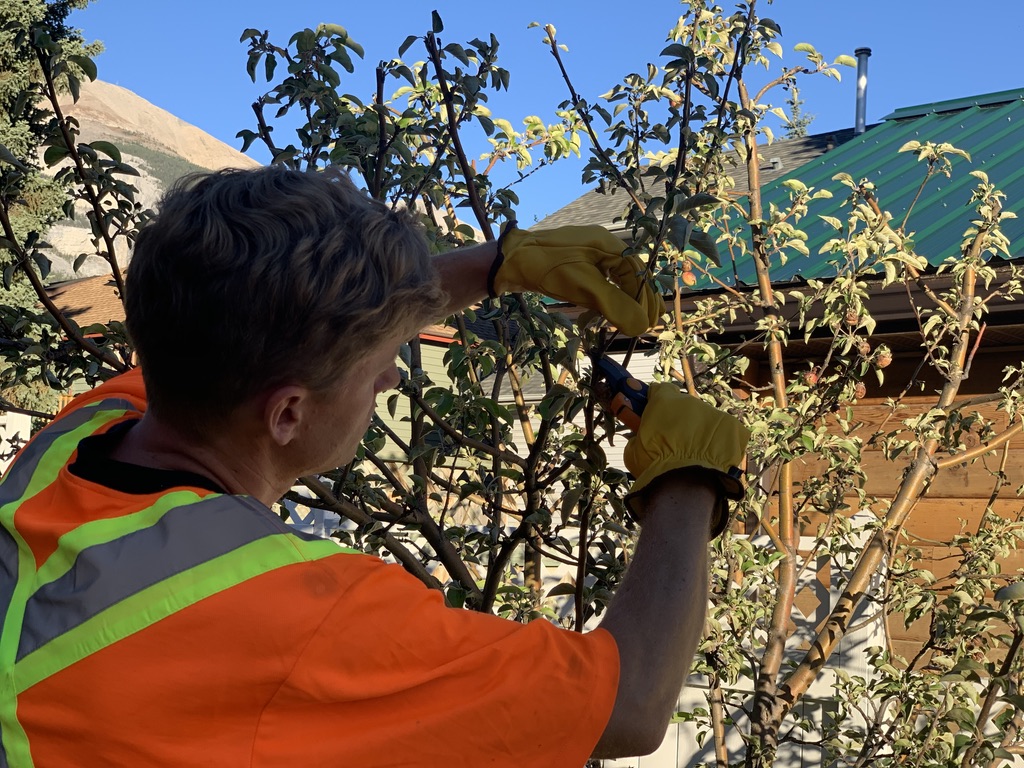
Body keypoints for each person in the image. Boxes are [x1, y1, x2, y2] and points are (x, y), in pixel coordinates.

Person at [0, 166, 748, 767]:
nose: (394, 376)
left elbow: (263, 323)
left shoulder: (76, 440)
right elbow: (632, 704)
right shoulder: (297, 617)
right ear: (287, 414)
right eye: (381, 362)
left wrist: (497, 266)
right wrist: (688, 479)